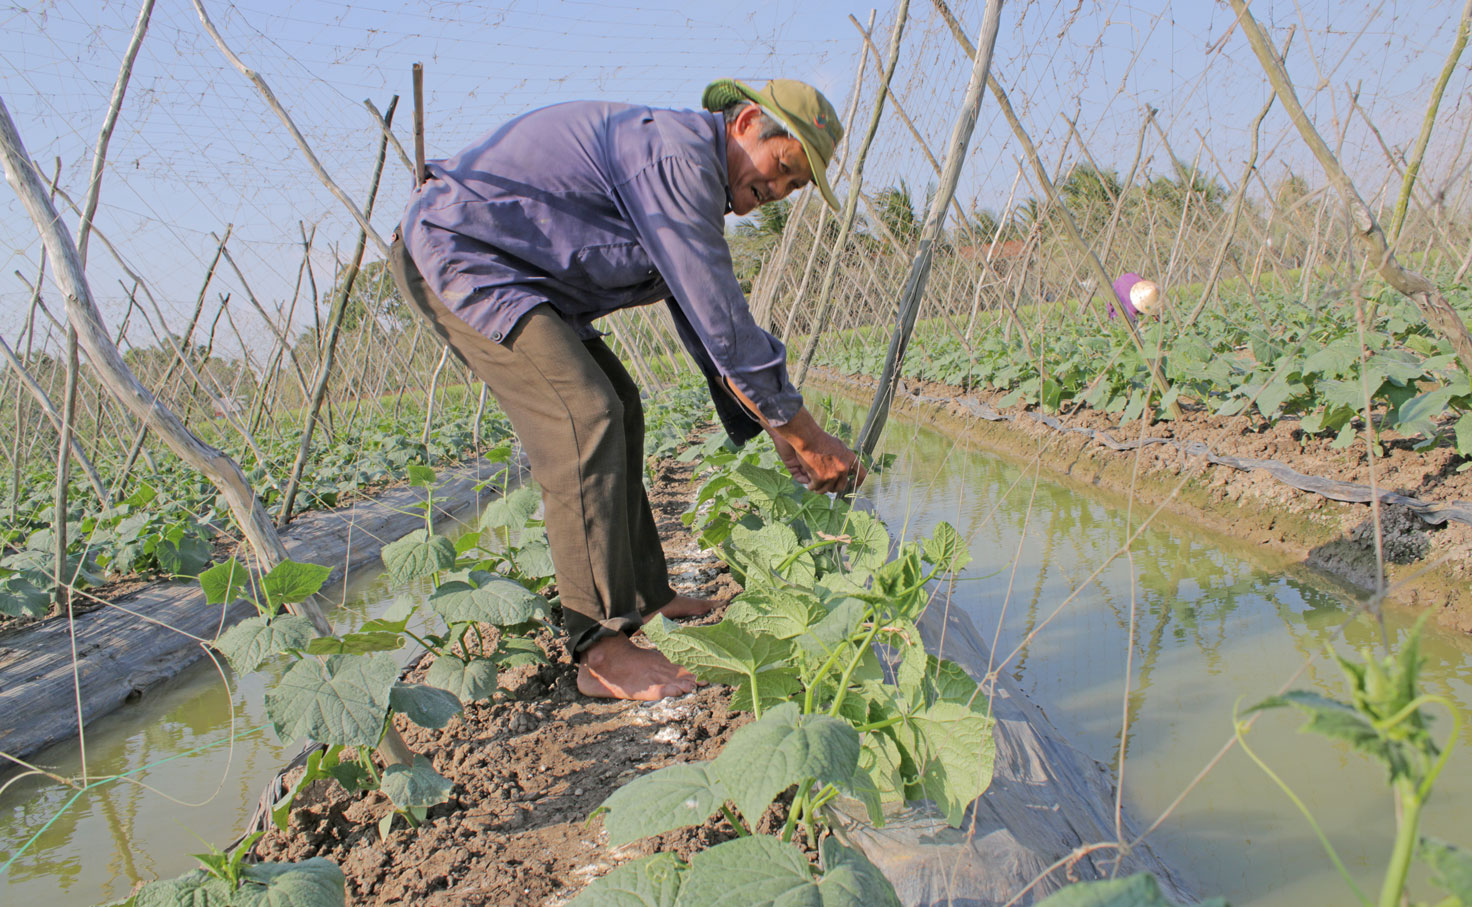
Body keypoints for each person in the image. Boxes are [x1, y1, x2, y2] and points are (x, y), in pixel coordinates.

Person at [389, 78, 866, 702]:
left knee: (622, 405)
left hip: (530, 281)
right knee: (582, 416)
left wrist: (777, 432)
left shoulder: (688, 181)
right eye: (779, 169)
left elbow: (702, 327)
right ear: (747, 122)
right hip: (460, 253)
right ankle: (601, 650)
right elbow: (725, 325)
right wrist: (808, 434)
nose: (773, 194)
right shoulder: (675, 160)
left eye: (792, 189)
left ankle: (646, 596)